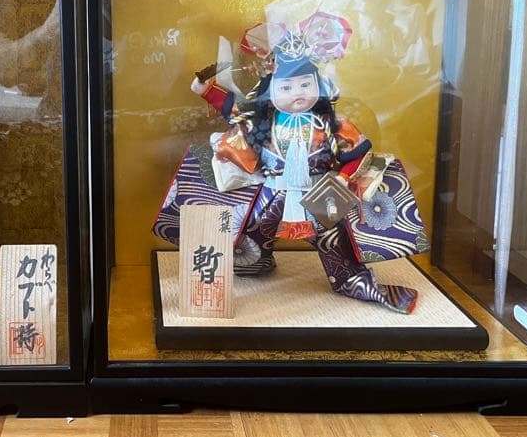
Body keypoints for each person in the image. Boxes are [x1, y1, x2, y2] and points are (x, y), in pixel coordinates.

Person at [172, 27, 417, 314]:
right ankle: (255, 263)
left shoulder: (333, 123)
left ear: (319, 86)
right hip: (272, 192)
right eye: (286, 87)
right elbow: (232, 108)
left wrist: (342, 177)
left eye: (305, 84)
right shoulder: (263, 120)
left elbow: (358, 152)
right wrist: (205, 89)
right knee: (252, 233)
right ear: (270, 92)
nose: (297, 92)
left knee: (332, 240)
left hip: (320, 190)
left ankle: (349, 280)